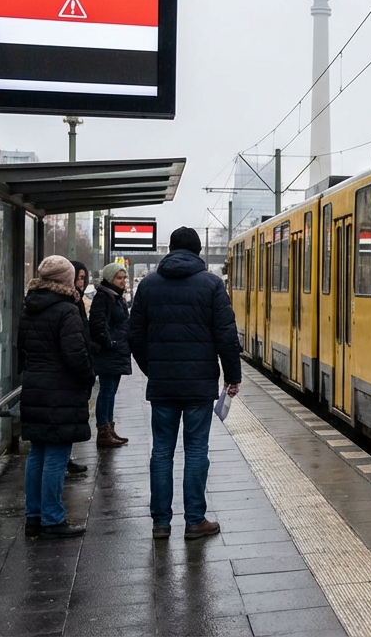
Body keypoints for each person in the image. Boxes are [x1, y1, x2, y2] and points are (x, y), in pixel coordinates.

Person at [129, 227, 241, 541]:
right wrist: (233, 376)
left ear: (170, 249)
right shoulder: (212, 285)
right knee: (196, 451)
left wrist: (152, 369)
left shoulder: (148, 284)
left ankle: (161, 523)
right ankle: (194, 520)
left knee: (161, 452)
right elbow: (226, 335)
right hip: (199, 385)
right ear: (198, 250)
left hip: (163, 385)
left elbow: (134, 335)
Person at [17, 256, 96, 538]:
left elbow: (22, 350)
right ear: (65, 279)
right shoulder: (66, 309)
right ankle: (52, 518)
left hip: (35, 386)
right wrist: (88, 376)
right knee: (57, 455)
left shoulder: (29, 308)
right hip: (61, 389)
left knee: (37, 452)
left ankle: (33, 517)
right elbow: (76, 354)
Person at [89, 263, 132, 448]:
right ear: (110, 278)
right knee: (106, 391)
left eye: (124, 278)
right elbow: (97, 324)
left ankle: (109, 428)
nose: (122, 281)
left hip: (117, 351)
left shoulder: (116, 297)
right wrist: (110, 343)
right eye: (119, 278)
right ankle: (103, 431)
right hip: (110, 352)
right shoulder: (104, 296)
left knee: (111, 391)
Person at [65, 260, 94, 476]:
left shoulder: (75, 302)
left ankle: (36, 507)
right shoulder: (68, 306)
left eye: (83, 278)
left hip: (49, 381)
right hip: (63, 380)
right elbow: (74, 346)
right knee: (54, 450)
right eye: (77, 277)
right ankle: (50, 510)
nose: (80, 282)